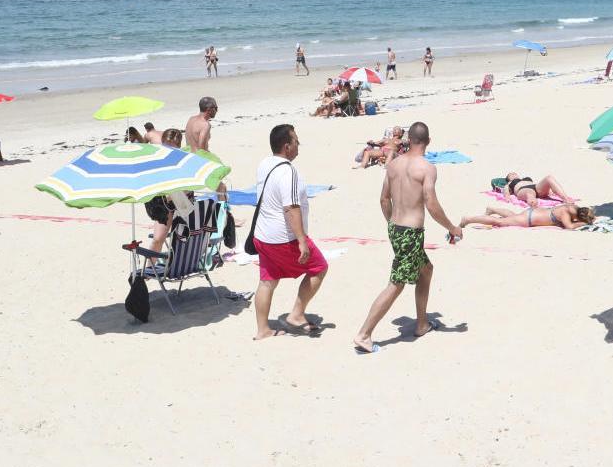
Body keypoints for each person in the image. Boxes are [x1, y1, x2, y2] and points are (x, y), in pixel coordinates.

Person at [353, 122, 463, 354]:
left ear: (408, 140)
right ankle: (364, 334)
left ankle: (422, 324)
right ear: (428, 141)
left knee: (426, 269)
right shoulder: (427, 168)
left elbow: (384, 199)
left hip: (395, 228)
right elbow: (431, 204)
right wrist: (452, 227)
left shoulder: (393, 165)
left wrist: (392, 223)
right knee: (396, 284)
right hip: (410, 233)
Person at [252, 124, 328, 340]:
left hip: (263, 235)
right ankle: (296, 315)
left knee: (267, 280)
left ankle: (263, 330)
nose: (298, 144)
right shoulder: (288, 171)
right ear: (287, 147)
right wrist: (302, 241)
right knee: (319, 267)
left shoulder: (265, 164)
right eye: (296, 141)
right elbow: (291, 207)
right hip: (282, 238)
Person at [144, 128, 184, 253]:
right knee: (158, 239)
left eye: (173, 147)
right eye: (166, 146)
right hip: (162, 202)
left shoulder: (184, 159)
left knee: (184, 237)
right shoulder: (157, 158)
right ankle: (150, 268)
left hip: (180, 199)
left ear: (179, 146)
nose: (169, 150)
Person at [460, 203, 595, 230]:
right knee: (499, 223)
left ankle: (492, 209)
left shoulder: (572, 206)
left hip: (532, 213)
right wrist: (583, 224)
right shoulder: (566, 214)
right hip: (529, 219)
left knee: (513, 216)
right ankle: (468, 219)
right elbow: (569, 227)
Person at [499, 172, 576, 207]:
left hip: (535, 187)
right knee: (530, 194)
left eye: (514, 173)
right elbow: (506, 190)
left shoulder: (525, 179)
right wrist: (507, 197)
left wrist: (550, 191)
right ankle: (535, 207)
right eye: (511, 174)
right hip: (522, 190)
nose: (513, 173)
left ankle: (565, 198)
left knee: (549, 178)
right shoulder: (510, 183)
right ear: (508, 178)